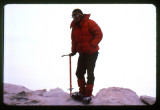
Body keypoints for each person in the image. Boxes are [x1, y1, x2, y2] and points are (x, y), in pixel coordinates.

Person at [69, 8, 103, 104]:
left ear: (81, 15)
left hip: (92, 53)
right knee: (79, 73)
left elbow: (99, 34)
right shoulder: (74, 27)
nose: (75, 18)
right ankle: (82, 93)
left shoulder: (90, 22)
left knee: (90, 73)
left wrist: (92, 44)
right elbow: (74, 41)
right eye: (73, 16)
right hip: (82, 53)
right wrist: (74, 51)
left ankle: (88, 95)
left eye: (76, 15)